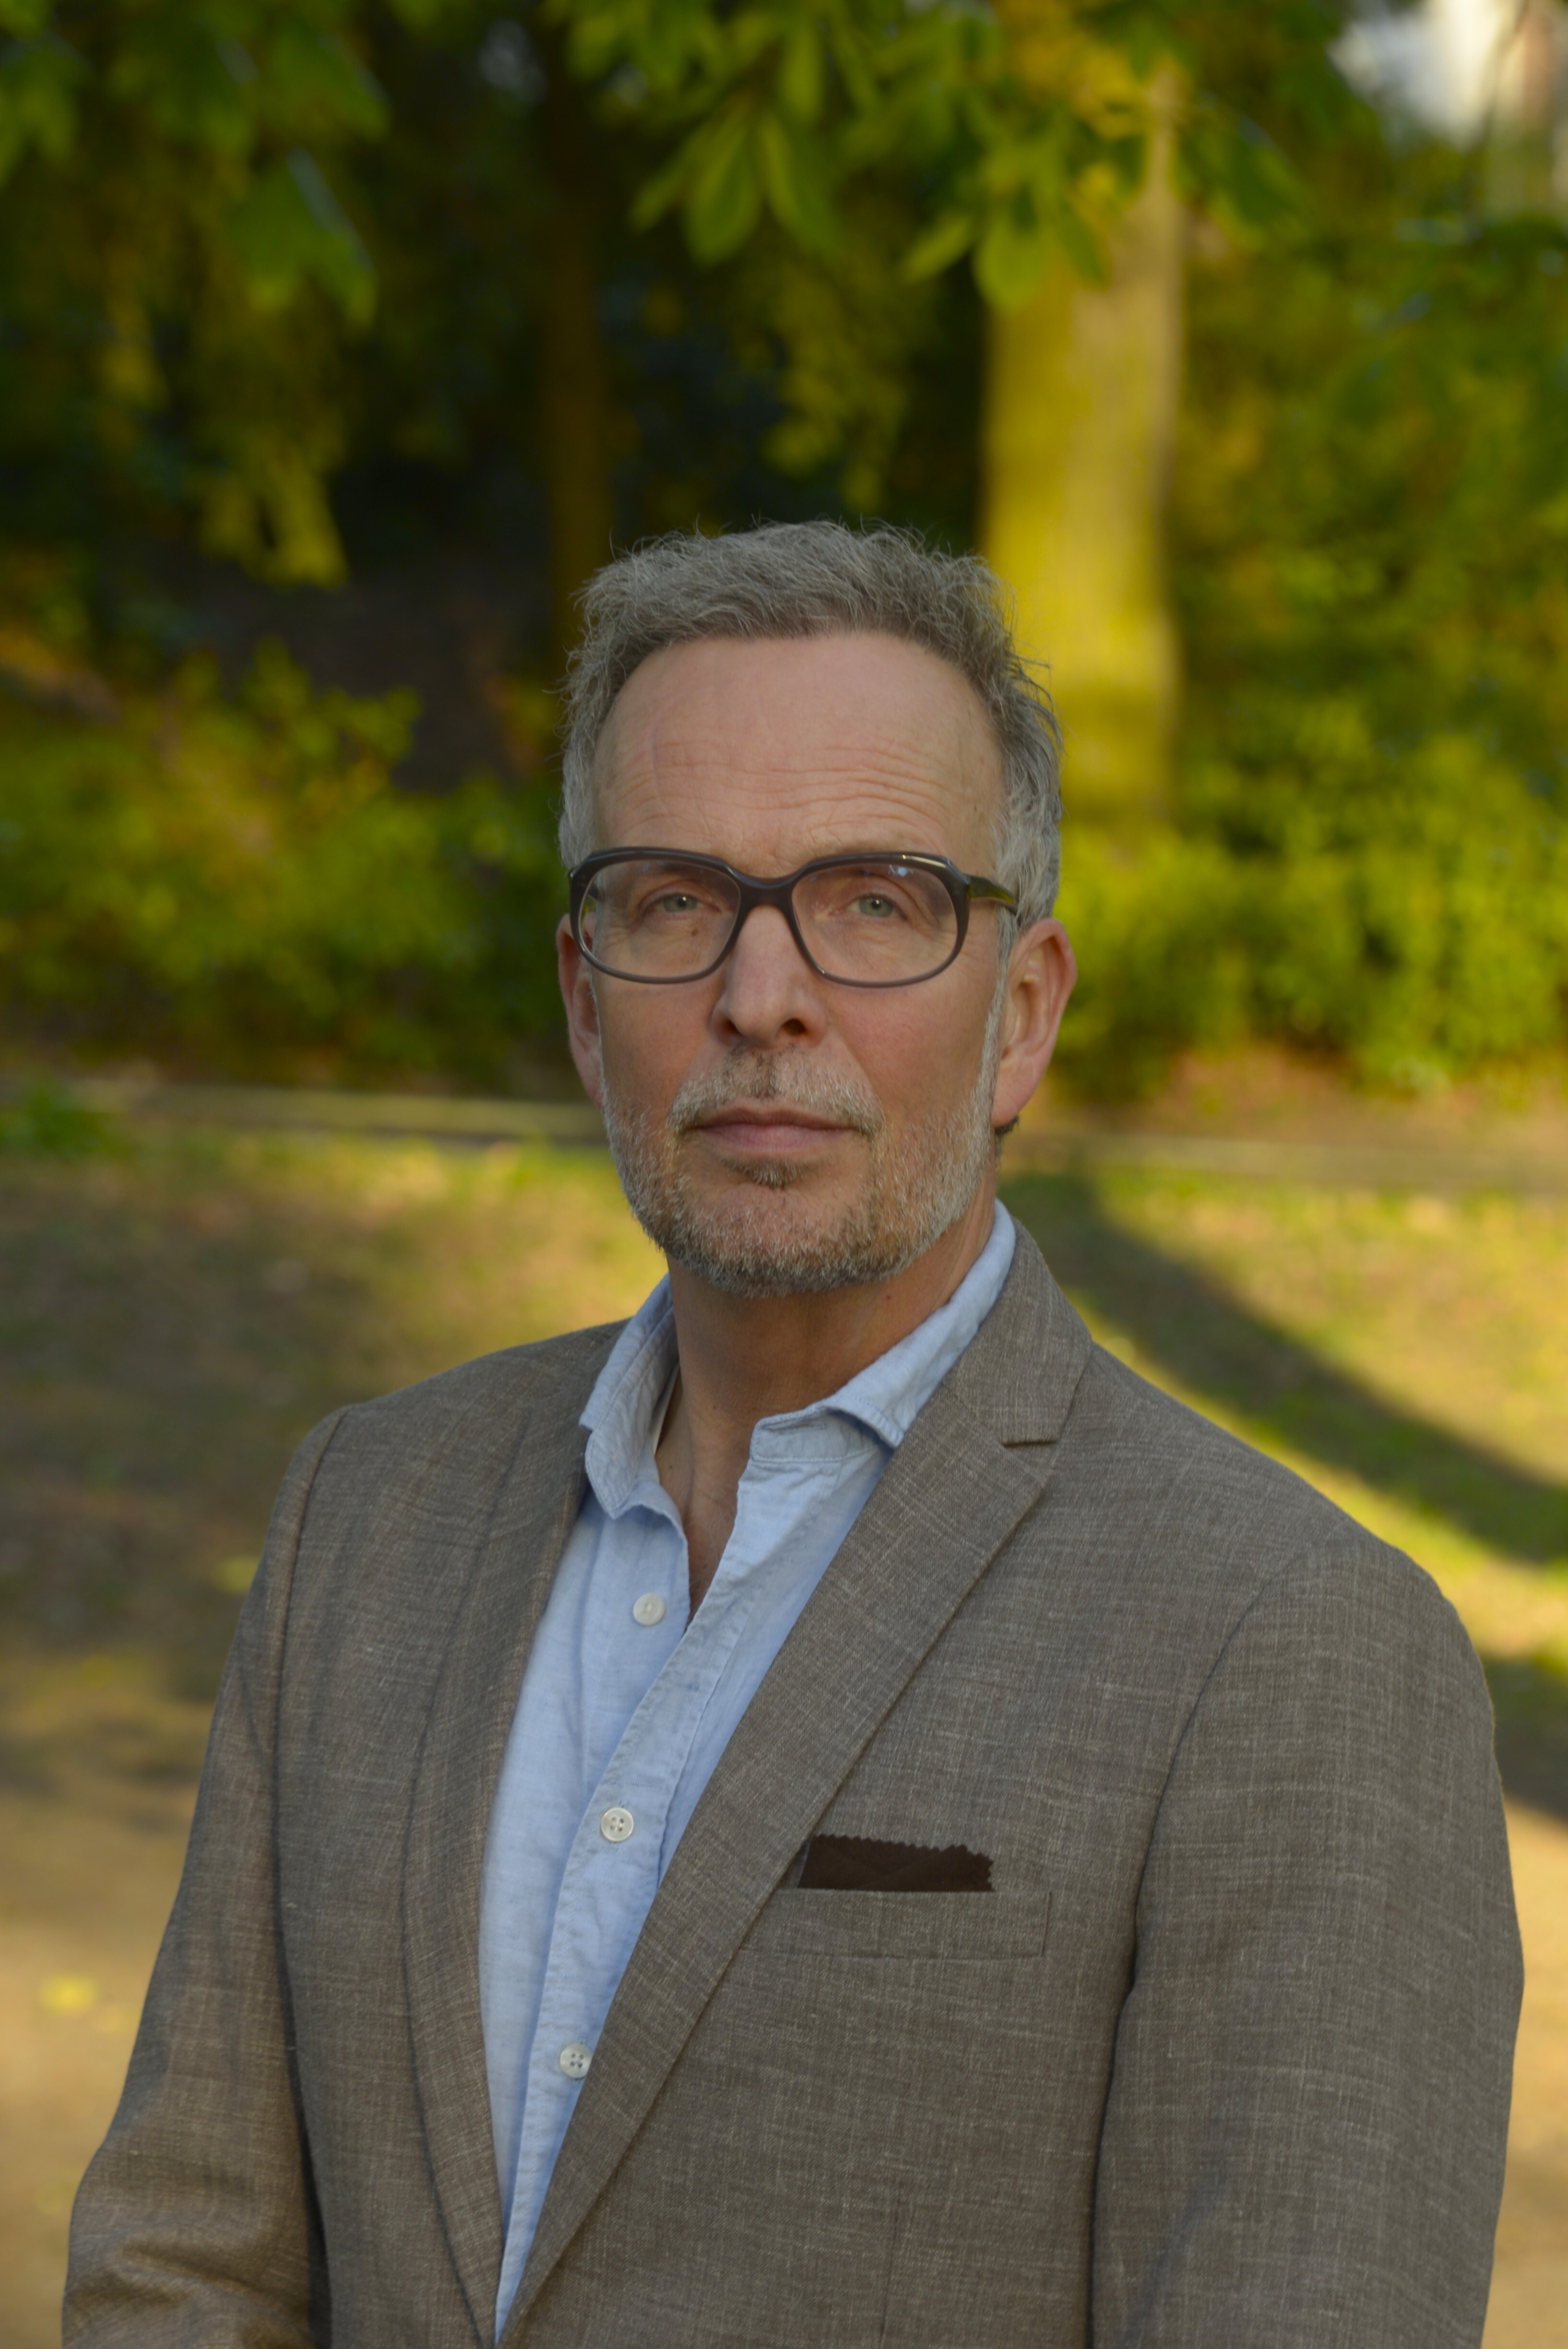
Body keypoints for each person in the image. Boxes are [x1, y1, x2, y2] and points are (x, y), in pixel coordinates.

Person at [66, 523, 1520, 2349]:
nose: (760, 995)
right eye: (676, 901)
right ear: (585, 1003)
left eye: (875, 901)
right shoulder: (368, 1511)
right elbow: (185, 2261)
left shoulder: (1292, 1645)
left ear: (1021, 1018)